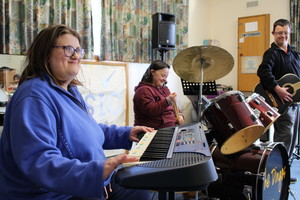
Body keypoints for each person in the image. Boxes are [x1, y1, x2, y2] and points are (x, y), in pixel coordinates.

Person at [0, 24, 153, 200]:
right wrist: (96, 172)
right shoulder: (34, 96)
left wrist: (126, 134)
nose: (76, 56)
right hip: (53, 194)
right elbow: (39, 161)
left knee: (137, 189)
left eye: (79, 50)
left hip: (77, 183)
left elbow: (88, 130)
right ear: (45, 53)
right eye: (68, 49)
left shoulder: (69, 90)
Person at [257, 19, 300, 183]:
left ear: (289, 34)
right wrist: (277, 88)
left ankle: (284, 171)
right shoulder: (272, 53)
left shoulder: (295, 55)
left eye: (285, 33)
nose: (283, 35)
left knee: (291, 139)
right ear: (274, 34)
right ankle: (276, 173)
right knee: (284, 137)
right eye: (279, 32)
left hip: (294, 103)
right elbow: (263, 71)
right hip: (279, 104)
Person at [133, 60, 184, 130]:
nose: (165, 80)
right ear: (152, 72)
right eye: (163, 76)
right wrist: (167, 101)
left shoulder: (164, 89)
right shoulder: (143, 90)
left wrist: (180, 115)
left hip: (170, 128)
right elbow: (150, 110)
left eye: (166, 77)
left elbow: (173, 107)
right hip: (153, 131)